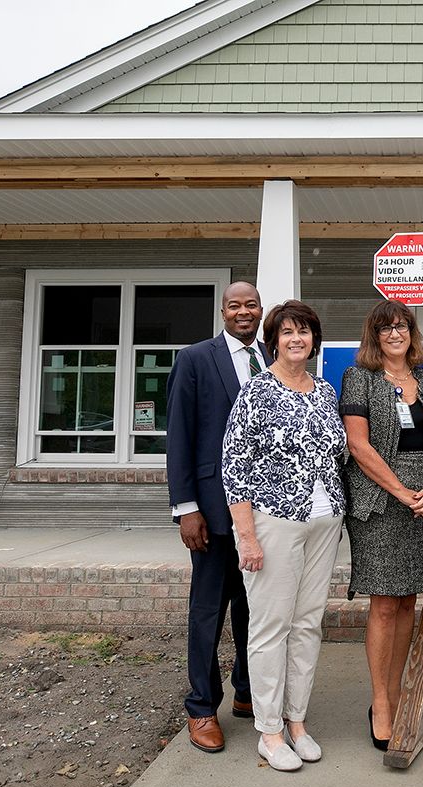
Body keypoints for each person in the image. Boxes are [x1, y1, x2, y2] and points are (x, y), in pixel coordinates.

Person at [221, 300, 347, 771]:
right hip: (273, 521)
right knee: (270, 626)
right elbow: (234, 467)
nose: (297, 339)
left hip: (324, 522)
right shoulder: (256, 392)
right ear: (274, 339)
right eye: (288, 332)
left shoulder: (324, 392)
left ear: (314, 340)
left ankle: (297, 722)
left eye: (305, 332)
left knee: (308, 623)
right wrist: (247, 537)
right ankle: (269, 731)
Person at [339, 300, 423, 752]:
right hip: (379, 503)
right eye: (385, 328)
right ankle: (381, 701)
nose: (394, 334)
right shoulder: (359, 379)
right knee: (384, 603)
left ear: (412, 332)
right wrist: (402, 492)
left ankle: (403, 685)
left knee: (408, 600)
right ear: (374, 336)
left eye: (401, 325)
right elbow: (358, 445)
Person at [166, 281, 266, 753]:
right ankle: (203, 706)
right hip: (212, 509)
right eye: (234, 305)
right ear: (222, 311)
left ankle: (247, 692)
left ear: (261, 309)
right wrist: (186, 508)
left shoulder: (275, 356)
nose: (243, 312)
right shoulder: (195, 359)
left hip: (268, 512)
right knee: (209, 611)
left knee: (256, 610)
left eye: (251, 304)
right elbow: (180, 438)